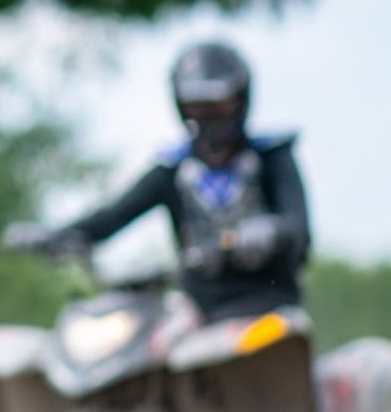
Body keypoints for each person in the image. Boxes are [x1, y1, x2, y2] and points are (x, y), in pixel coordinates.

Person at [15, 41, 311, 320]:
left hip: (268, 306)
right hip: (198, 310)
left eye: (219, 106)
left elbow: (300, 232)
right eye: (198, 107)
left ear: (240, 102)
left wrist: (273, 230)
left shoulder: (272, 159)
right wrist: (55, 236)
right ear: (182, 107)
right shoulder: (173, 170)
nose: (208, 117)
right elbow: (112, 216)